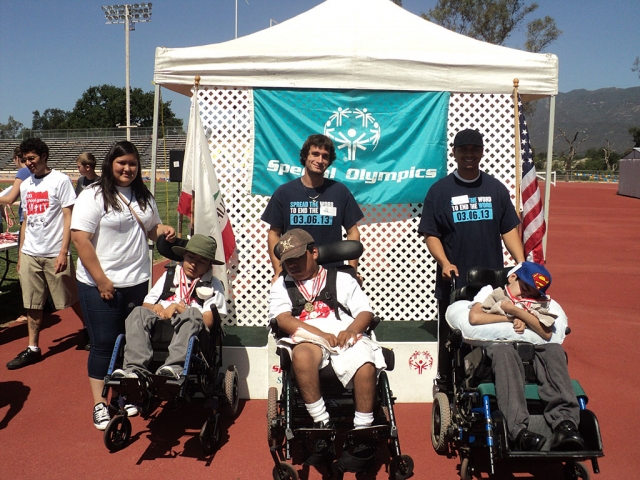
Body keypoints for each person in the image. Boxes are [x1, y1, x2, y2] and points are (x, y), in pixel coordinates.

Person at [71, 140, 176, 430]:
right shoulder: (93, 195)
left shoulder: (144, 196)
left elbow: (152, 229)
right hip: (99, 284)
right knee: (104, 345)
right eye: (121, 163)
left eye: (132, 163)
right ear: (110, 164)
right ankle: (100, 404)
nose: (127, 169)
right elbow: (80, 239)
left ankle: (123, 393)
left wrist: (163, 230)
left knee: (132, 343)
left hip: (137, 282)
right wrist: (102, 280)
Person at [418, 128, 525, 391]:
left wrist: (522, 262)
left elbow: (508, 228)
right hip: (455, 281)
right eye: (463, 149)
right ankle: (444, 384)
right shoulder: (440, 191)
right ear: (454, 153)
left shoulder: (495, 189)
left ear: (481, 152)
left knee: (495, 333)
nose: (469, 154)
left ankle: (491, 382)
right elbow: (431, 234)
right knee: (452, 337)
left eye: (474, 149)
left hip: (492, 282)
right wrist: (445, 262)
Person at [269, 229, 386, 465]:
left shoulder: (342, 278)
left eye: (297, 259)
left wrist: (352, 330)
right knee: (301, 355)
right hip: (308, 337)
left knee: (365, 365)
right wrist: (319, 334)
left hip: (344, 334)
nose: (292, 265)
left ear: (313, 252)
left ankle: (361, 433)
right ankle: (321, 421)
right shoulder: (283, 285)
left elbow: (365, 311)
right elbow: (283, 319)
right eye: (287, 261)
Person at [469, 261, 585, 452]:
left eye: (531, 293)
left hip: (534, 347)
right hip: (501, 345)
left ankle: (565, 424)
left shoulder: (538, 302)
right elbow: (475, 317)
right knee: (504, 352)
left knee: (554, 350)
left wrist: (518, 312)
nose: (526, 295)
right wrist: (510, 318)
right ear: (513, 277)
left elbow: (546, 333)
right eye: (523, 288)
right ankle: (518, 431)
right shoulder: (491, 292)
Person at [6, 138, 84, 370]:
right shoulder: (27, 184)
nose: (28, 163)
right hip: (31, 252)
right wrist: (21, 254)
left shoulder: (60, 181)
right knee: (32, 303)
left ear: (44, 156)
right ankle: (33, 347)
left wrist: (63, 251)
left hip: (54, 252)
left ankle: (90, 330)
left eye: (32, 158)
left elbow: (69, 216)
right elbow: (26, 220)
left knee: (70, 298)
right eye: (25, 159)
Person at [111, 234, 226, 380]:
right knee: (138, 312)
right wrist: (158, 307)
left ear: (209, 265)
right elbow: (147, 304)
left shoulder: (213, 284)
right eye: (191, 257)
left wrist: (177, 308)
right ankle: (134, 369)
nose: (194, 264)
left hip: (192, 330)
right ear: (184, 256)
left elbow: (208, 321)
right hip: (160, 324)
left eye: (201, 261)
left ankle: (174, 367)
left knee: (192, 314)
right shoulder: (170, 275)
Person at [261, 134, 364, 282]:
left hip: (332, 275)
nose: (320, 160)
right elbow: (274, 234)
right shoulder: (284, 193)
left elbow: (353, 232)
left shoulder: (340, 191)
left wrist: (352, 270)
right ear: (305, 156)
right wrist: (278, 271)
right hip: (295, 273)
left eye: (325, 156)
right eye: (315, 154)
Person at [0, 146, 31, 323]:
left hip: (27, 223)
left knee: (24, 267)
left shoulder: (23, 173)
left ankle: (28, 309)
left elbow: (10, 198)